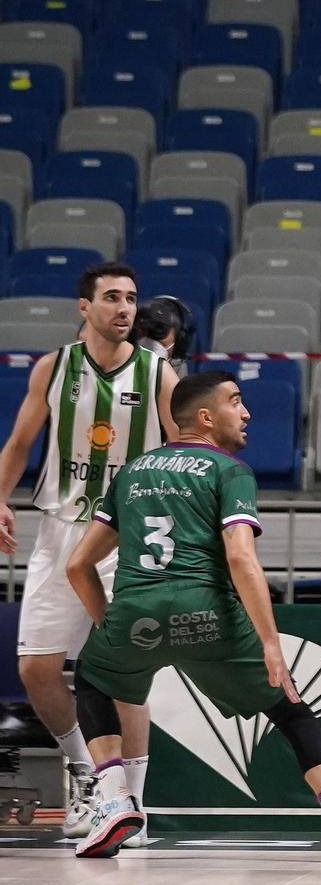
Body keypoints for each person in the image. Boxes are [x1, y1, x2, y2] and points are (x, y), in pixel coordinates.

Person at [63, 370, 321, 862]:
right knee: (290, 708)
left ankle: (112, 800)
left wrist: (110, 623)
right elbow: (240, 558)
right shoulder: (230, 470)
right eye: (236, 401)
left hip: (134, 613)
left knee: (92, 679)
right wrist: (271, 641)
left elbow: (77, 564)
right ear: (206, 417)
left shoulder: (131, 472)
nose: (248, 412)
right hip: (206, 613)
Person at [0, 262, 176, 843]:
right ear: (85, 306)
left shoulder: (156, 373)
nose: (124, 308)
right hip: (60, 529)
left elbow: (186, 451)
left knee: (123, 676)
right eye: (111, 298)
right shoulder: (54, 368)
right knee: (37, 668)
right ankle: (86, 774)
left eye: (130, 298)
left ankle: (134, 807)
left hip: (127, 538)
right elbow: (21, 441)